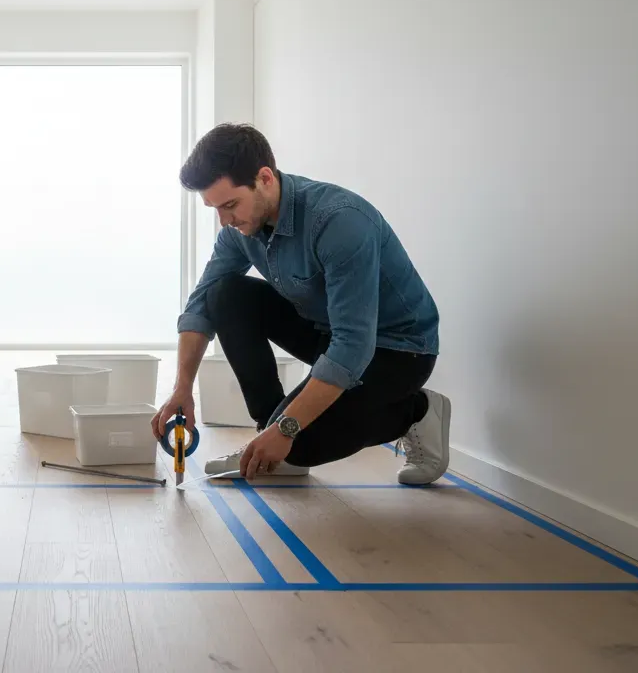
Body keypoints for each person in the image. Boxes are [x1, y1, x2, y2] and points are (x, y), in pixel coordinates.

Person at [150, 123, 451, 484]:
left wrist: (288, 428)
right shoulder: (239, 229)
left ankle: (418, 410)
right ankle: (269, 438)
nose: (225, 220)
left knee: (301, 443)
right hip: (326, 332)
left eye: (230, 205)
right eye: (215, 208)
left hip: (397, 350)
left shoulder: (340, 221)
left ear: (264, 178)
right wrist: (182, 388)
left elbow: (353, 346)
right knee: (223, 294)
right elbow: (201, 305)